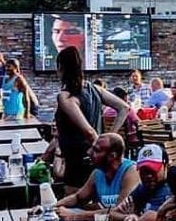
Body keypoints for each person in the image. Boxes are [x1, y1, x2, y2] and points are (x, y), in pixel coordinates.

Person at [55, 47, 129, 188]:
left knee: (75, 204)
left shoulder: (65, 97)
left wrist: (102, 147)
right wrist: (110, 136)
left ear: (61, 68)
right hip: (92, 159)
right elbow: (124, 108)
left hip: (78, 160)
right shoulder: (95, 89)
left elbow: (89, 132)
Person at [53, 133, 141, 221]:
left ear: (112, 156)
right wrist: (51, 208)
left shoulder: (131, 172)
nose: (89, 152)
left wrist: (74, 215)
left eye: (96, 150)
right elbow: (78, 198)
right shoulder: (98, 172)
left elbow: (118, 212)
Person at [112, 144, 171, 221]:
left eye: (153, 170)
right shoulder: (143, 188)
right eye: (144, 171)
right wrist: (128, 217)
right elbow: (112, 214)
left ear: (166, 166)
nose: (148, 176)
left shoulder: (169, 191)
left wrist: (133, 215)